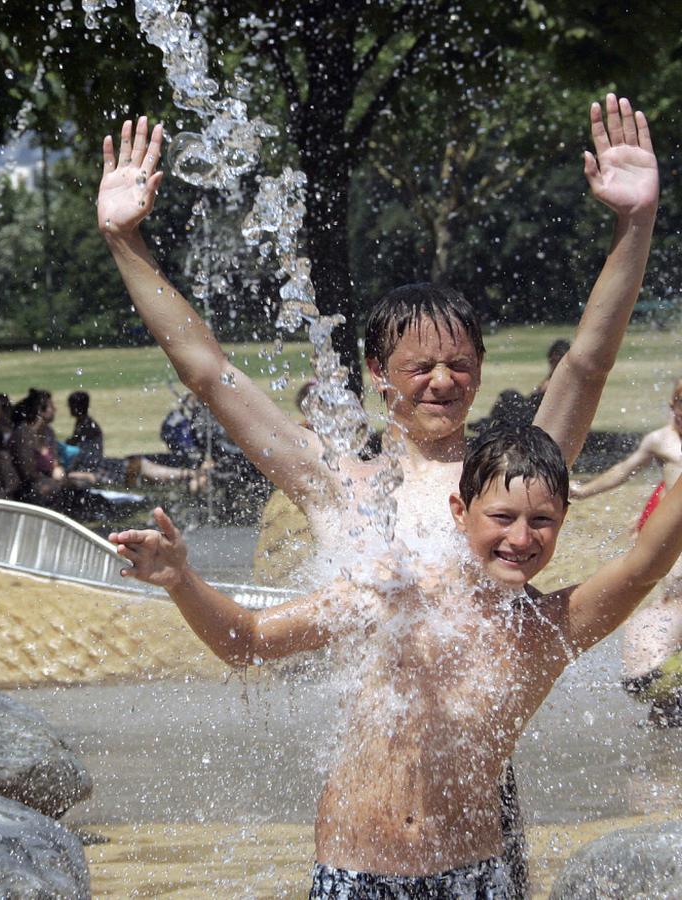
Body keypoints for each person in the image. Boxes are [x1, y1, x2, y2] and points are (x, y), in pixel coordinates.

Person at [97, 94, 657, 884]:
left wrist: (634, 225)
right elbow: (209, 373)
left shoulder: (510, 477)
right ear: (376, 377)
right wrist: (126, 241)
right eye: (419, 365)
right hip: (359, 843)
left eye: (460, 364)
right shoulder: (338, 488)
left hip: (477, 831)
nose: (442, 381)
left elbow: (587, 363)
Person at [111, 425, 682, 896]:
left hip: (475, 877)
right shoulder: (392, 592)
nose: (521, 538)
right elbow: (250, 640)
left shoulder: (549, 627)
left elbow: (645, 562)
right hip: (356, 870)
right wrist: (181, 580)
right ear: (460, 510)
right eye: (502, 517)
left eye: (542, 521)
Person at [571, 378, 682, 725]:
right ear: (672, 406)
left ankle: (665, 687)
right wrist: (584, 491)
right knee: (673, 597)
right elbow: (624, 469)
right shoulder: (661, 440)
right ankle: (663, 698)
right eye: (679, 405)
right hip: (674, 538)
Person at [66, 390, 207, 491]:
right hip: (117, 467)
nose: (70, 409)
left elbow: (88, 461)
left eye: (71, 405)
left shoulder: (87, 426)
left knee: (156, 474)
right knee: (157, 476)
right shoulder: (83, 424)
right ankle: (193, 476)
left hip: (119, 468)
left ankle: (194, 475)